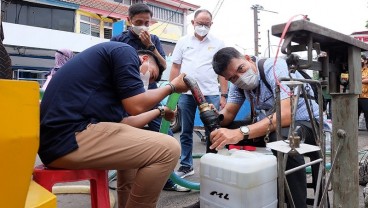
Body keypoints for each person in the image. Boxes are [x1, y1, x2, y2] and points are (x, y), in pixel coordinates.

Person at [39, 41, 189, 208]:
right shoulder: (125, 52)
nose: (146, 82)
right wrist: (172, 86)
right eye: (151, 75)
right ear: (144, 59)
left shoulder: (107, 83)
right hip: (68, 139)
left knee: (139, 147)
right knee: (168, 149)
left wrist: (160, 111)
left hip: (58, 143)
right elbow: (136, 106)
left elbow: (127, 123)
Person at [211, 47, 323, 208]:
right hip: (274, 126)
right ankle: (218, 196)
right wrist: (214, 118)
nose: (240, 78)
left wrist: (243, 132)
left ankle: (297, 205)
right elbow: (229, 112)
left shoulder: (272, 66)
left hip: (308, 123)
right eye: (233, 78)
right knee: (217, 135)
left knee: (282, 139)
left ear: (248, 58)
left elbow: (286, 114)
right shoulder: (238, 84)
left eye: (241, 69)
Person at [111, 3, 188, 191]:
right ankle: (127, 181)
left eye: (147, 22)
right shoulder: (119, 39)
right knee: (127, 137)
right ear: (129, 21)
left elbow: (163, 64)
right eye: (139, 22)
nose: (143, 26)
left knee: (165, 136)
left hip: (151, 94)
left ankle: (167, 181)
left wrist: (150, 47)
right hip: (125, 95)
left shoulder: (153, 39)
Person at [169, 9, 228, 178]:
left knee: (214, 130)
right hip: (186, 94)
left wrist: (223, 95)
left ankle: (213, 164)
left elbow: (222, 71)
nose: (202, 26)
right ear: (193, 23)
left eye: (206, 24)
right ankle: (187, 165)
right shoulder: (182, 41)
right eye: (199, 23)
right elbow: (175, 67)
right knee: (186, 131)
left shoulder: (218, 43)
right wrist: (172, 90)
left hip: (210, 93)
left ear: (211, 24)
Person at [359, 54, 368, 130]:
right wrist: (363, 79)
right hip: (356, 96)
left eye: (361, 60)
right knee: (355, 116)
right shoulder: (357, 70)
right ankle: (354, 133)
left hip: (366, 97)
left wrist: (358, 79)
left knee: (367, 116)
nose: (359, 61)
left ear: (365, 61)